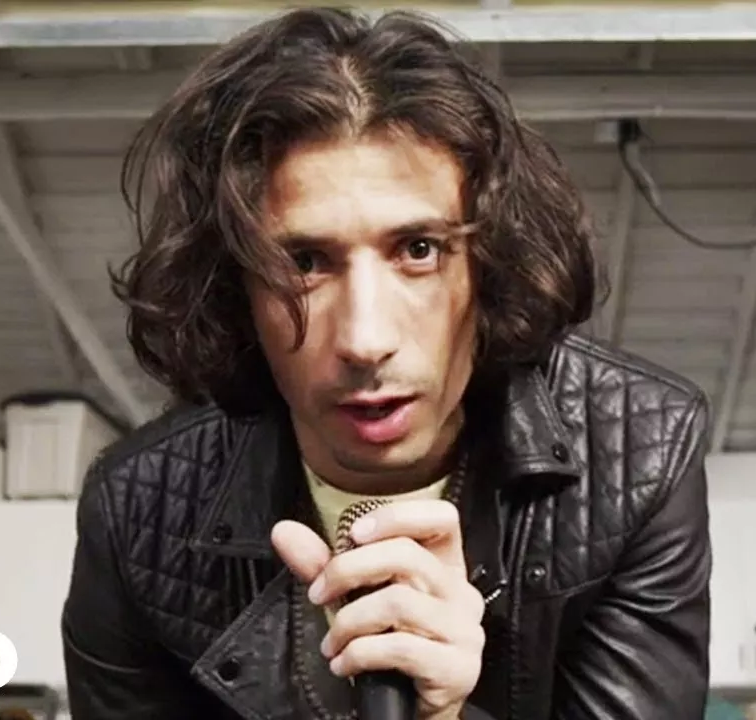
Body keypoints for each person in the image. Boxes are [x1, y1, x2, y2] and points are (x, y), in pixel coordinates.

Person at [60, 7, 712, 720]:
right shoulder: (139, 513)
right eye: (303, 263)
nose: (365, 340)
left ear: (490, 264)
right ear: (232, 289)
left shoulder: (634, 454)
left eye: (418, 250)